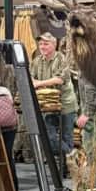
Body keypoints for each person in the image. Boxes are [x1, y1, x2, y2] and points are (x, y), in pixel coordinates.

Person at [30, 32, 77, 166]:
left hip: (65, 104)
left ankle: (68, 169)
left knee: (67, 136)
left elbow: (60, 79)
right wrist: (36, 82)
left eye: (46, 44)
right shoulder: (37, 61)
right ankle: (72, 156)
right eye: (40, 44)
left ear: (54, 45)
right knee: (50, 136)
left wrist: (39, 83)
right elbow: (30, 77)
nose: (42, 47)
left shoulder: (62, 59)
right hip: (48, 105)